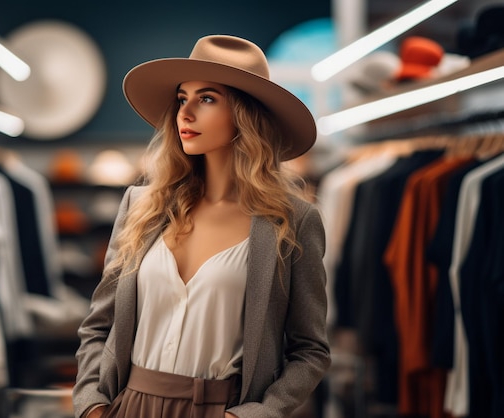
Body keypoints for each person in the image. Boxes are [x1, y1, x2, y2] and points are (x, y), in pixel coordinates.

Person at [72, 34, 331, 418]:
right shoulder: (141, 207)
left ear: (245, 114)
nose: (185, 113)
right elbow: (98, 325)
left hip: (223, 408)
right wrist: (92, 404)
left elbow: (311, 349)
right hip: (130, 405)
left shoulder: (292, 221)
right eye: (182, 99)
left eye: (206, 99)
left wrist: (259, 413)